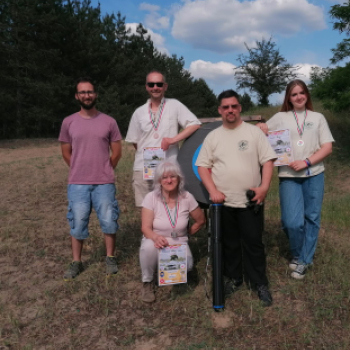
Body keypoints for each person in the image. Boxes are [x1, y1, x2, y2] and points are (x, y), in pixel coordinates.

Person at [196, 89, 277, 307]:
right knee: (229, 244)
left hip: (251, 201)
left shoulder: (254, 133)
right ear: (220, 110)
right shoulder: (212, 136)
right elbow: (203, 166)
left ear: (239, 108)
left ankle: (259, 283)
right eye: (225, 107)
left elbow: (268, 161)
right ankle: (234, 279)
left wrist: (264, 188)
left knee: (254, 242)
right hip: (223, 202)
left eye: (234, 106)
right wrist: (212, 190)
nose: (230, 110)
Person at [257, 79, 334, 280]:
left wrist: (307, 162)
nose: (299, 97)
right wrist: (261, 126)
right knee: (291, 222)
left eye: (302, 93)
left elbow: (327, 147)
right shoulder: (281, 117)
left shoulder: (318, 118)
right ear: (288, 98)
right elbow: (262, 131)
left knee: (312, 218)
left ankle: (304, 260)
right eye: (294, 94)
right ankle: (299, 252)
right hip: (288, 176)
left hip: (314, 174)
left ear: (306, 94)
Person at [59, 77, 122, 281]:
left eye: (90, 92)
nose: (87, 95)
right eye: (83, 92)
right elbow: (66, 152)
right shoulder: (68, 122)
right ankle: (76, 261)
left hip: (104, 183)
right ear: (77, 96)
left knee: (109, 221)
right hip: (77, 183)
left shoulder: (109, 121)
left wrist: (104, 169)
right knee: (77, 222)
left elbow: (117, 152)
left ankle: (110, 257)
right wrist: (80, 169)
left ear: (96, 95)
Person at [125, 70, 201, 207]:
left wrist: (173, 140)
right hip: (143, 168)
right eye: (151, 84)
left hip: (169, 168)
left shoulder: (175, 105)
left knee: (170, 207)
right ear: (146, 87)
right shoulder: (139, 112)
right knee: (147, 209)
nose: (155, 87)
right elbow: (135, 142)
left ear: (165, 86)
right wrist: (150, 153)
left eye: (159, 84)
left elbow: (194, 124)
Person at [139, 160, 205, 303]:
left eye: (173, 176)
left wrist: (189, 231)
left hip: (179, 240)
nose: (169, 180)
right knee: (148, 248)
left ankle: (170, 273)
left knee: (188, 265)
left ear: (179, 178)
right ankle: (148, 281)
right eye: (165, 177)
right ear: (158, 180)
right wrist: (155, 237)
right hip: (155, 238)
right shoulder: (151, 198)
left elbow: (201, 220)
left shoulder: (187, 197)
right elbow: (145, 228)